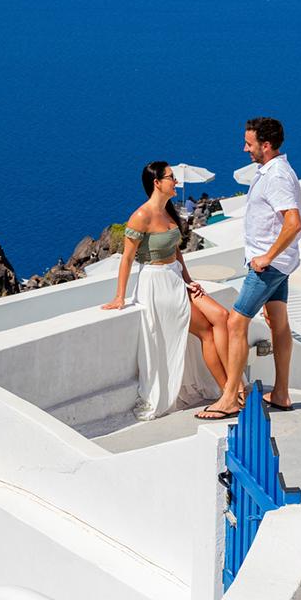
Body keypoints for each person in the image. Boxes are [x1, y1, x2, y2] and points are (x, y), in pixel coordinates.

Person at [103, 161, 232, 420]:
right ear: (157, 183)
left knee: (221, 316)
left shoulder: (168, 211)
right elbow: (127, 258)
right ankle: (230, 391)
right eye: (171, 178)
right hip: (157, 283)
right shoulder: (141, 216)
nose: (176, 182)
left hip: (175, 279)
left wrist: (188, 279)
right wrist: (119, 296)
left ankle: (232, 388)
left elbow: (175, 251)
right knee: (206, 332)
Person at [197, 117, 301, 420]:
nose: (245, 149)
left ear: (265, 145)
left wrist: (267, 256)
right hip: (281, 263)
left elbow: (293, 222)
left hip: (269, 265)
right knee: (278, 322)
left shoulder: (276, 176)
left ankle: (230, 398)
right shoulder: (275, 170)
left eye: (249, 143)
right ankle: (281, 393)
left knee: (235, 323)